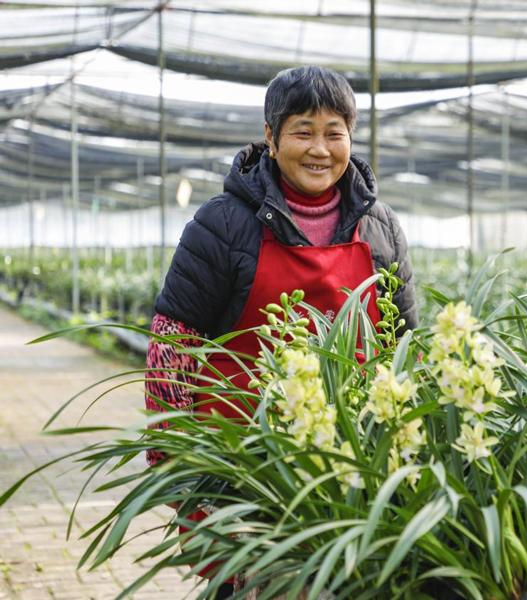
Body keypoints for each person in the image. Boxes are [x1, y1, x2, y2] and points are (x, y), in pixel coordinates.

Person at [144, 65, 418, 599]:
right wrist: (179, 466)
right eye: (302, 131)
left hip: (353, 471)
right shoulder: (222, 223)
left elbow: (407, 343)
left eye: (334, 132)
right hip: (243, 474)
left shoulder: (380, 228)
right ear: (270, 137)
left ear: (350, 137)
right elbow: (171, 344)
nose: (320, 149)